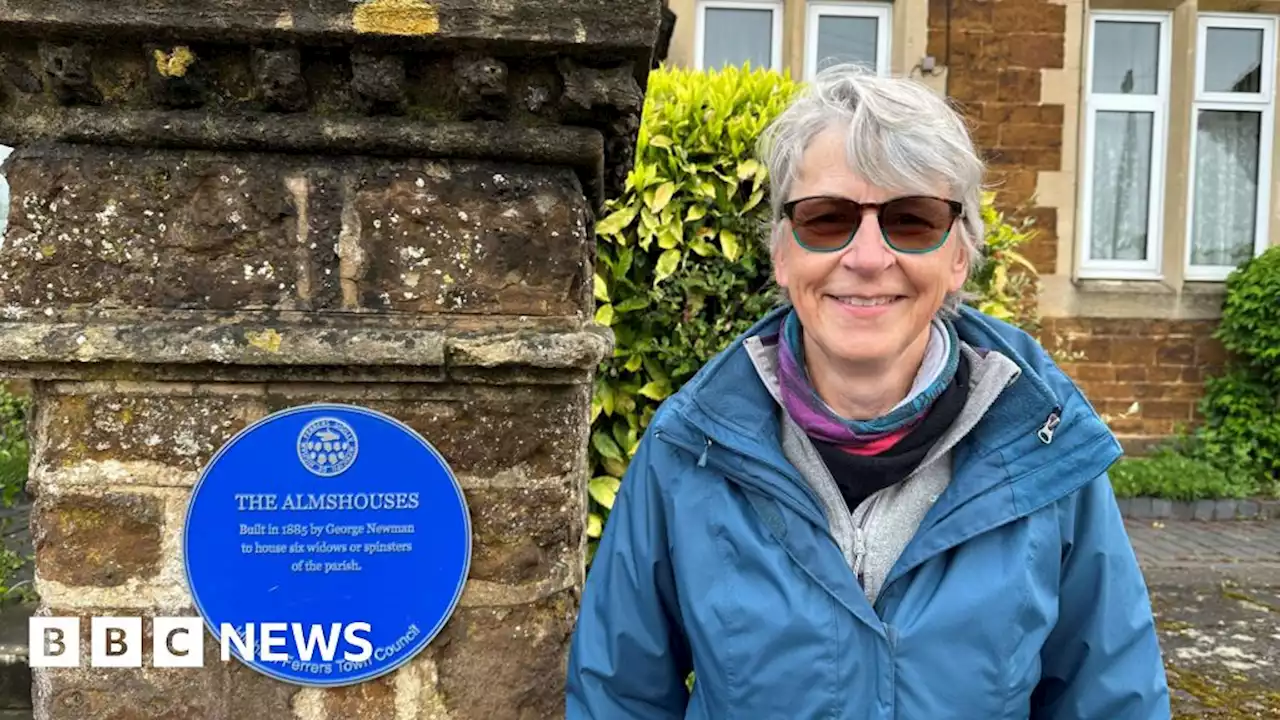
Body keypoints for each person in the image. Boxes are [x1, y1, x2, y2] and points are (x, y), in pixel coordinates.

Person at [565, 64, 1171, 719]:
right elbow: (618, 697)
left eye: (911, 220)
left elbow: (1112, 700)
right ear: (782, 253)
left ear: (958, 257)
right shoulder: (688, 453)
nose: (867, 256)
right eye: (827, 220)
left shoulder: (1044, 455)